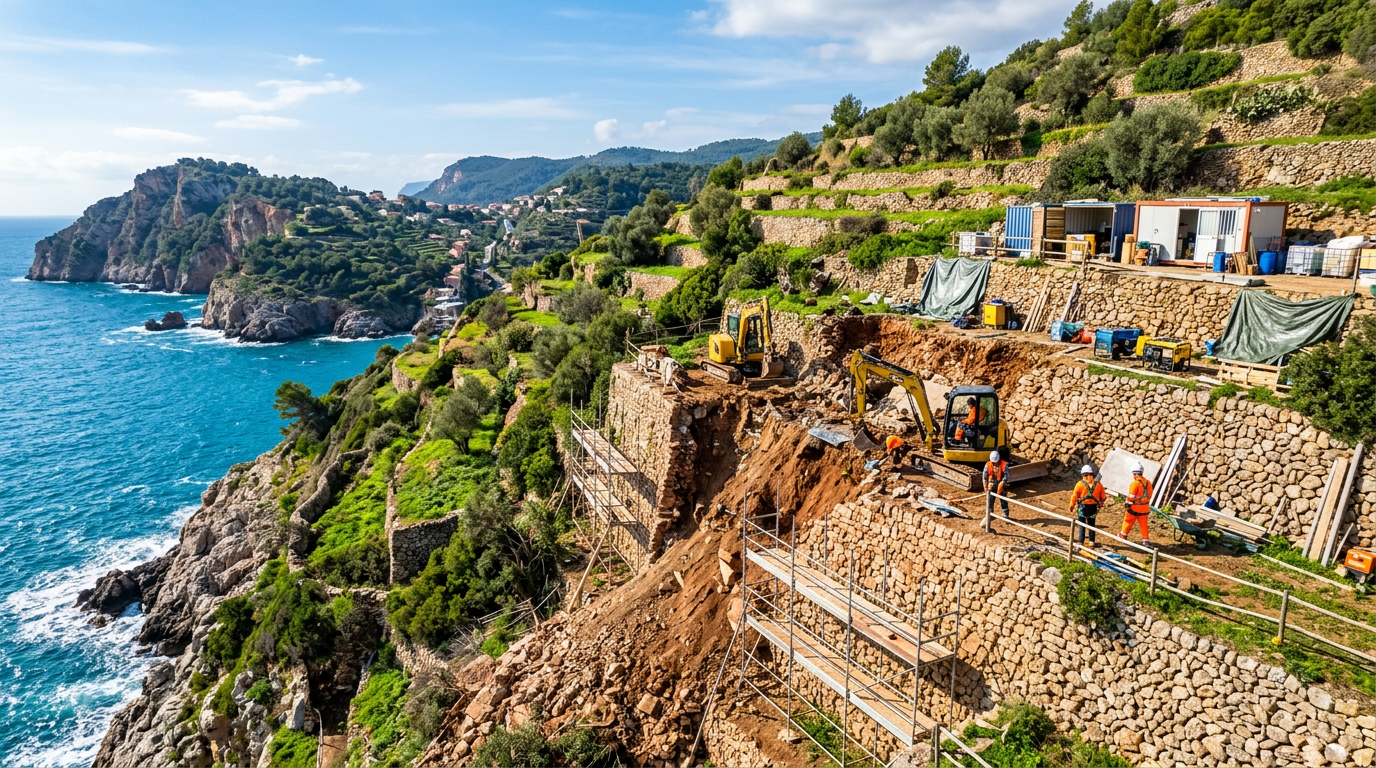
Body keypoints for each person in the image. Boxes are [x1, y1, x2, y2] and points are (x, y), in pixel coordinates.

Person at [1069, 464, 1106, 547]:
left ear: (1083, 475)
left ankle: (1080, 541)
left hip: (1083, 508)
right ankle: (1091, 541)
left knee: (1082, 524)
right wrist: (1100, 505)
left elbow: (1074, 496)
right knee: (1092, 525)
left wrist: (1071, 506)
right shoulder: (1098, 485)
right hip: (1093, 508)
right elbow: (1103, 497)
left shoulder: (1079, 484)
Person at [1124, 462, 1154, 546]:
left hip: (1134, 508)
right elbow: (1150, 494)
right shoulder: (1148, 483)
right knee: (1144, 525)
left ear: (1134, 474)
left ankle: (1123, 535)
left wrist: (1127, 502)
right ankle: (1145, 540)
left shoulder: (1135, 483)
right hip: (1145, 508)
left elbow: (1131, 497)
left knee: (1128, 520)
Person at [983, 450, 1009, 518]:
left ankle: (1006, 514)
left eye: (995, 462)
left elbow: (1006, 476)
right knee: (990, 500)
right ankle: (990, 514)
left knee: (1003, 500)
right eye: (993, 462)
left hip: (1001, 483)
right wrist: (985, 486)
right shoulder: (988, 465)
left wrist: (1002, 483)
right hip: (992, 483)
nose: (994, 463)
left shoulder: (1004, 464)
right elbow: (985, 476)